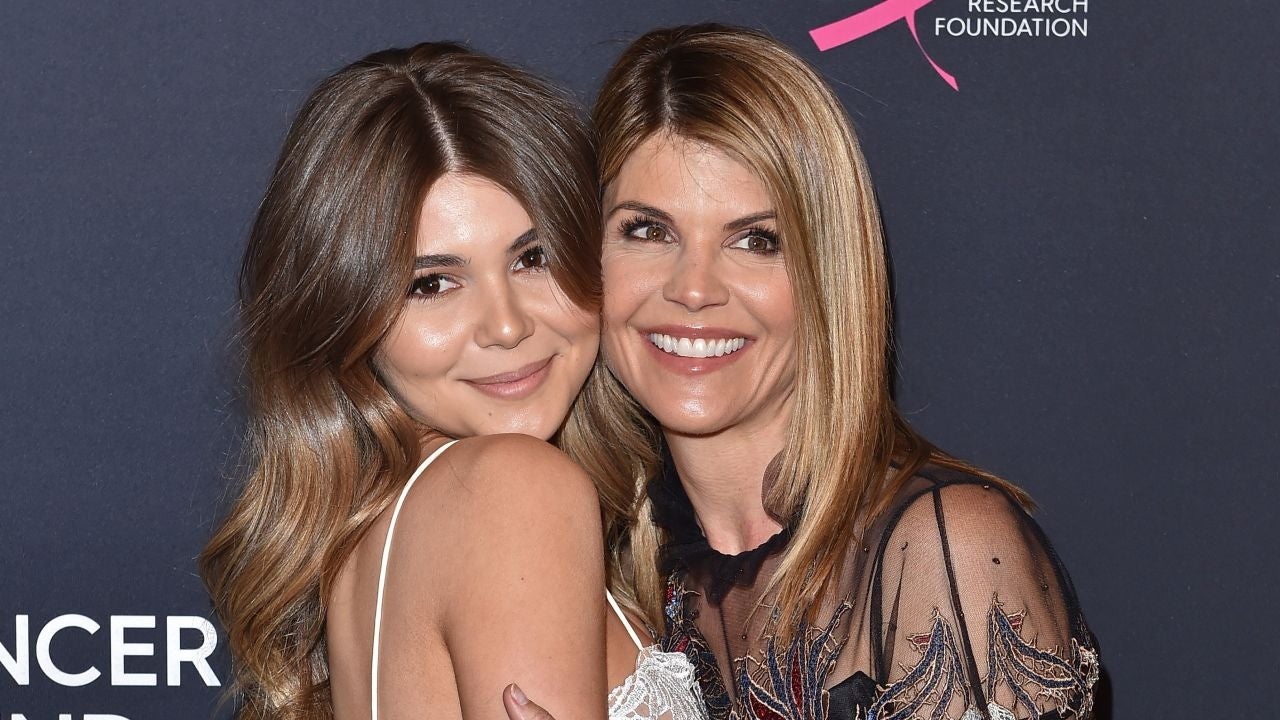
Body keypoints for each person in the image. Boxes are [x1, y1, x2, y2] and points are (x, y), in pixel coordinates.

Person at [509, 24, 1098, 720]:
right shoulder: (607, 581)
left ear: (828, 276)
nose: (693, 289)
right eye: (648, 231)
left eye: (756, 241)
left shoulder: (944, 548)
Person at [201, 43, 704, 720]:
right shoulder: (512, 487)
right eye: (432, 284)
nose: (506, 326)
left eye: (534, 258)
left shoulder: (379, 535)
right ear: (348, 316)